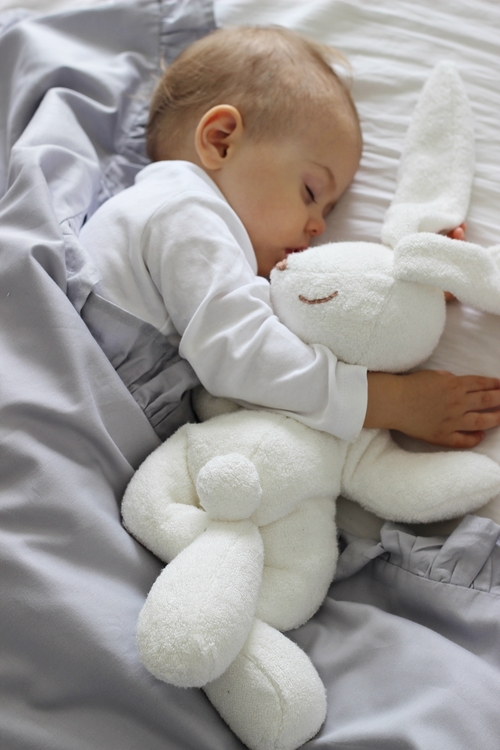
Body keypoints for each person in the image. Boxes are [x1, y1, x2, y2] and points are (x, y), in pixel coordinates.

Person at [79, 25, 500, 448]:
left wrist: (409, 291)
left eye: (328, 211)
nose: (319, 227)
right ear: (221, 141)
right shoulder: (183, 210)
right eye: (311, 192)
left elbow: (286, 327)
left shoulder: (193, 236)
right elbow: (245, 357)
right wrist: (390, 401)